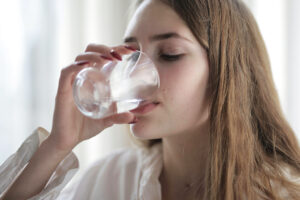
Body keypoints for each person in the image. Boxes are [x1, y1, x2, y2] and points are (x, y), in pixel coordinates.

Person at [1, 0, 300, 199]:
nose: (139, 76)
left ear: (227, 72)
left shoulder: (281, 192)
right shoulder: (111, 180)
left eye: (169, 54)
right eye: (131, 57)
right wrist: (57, 146)